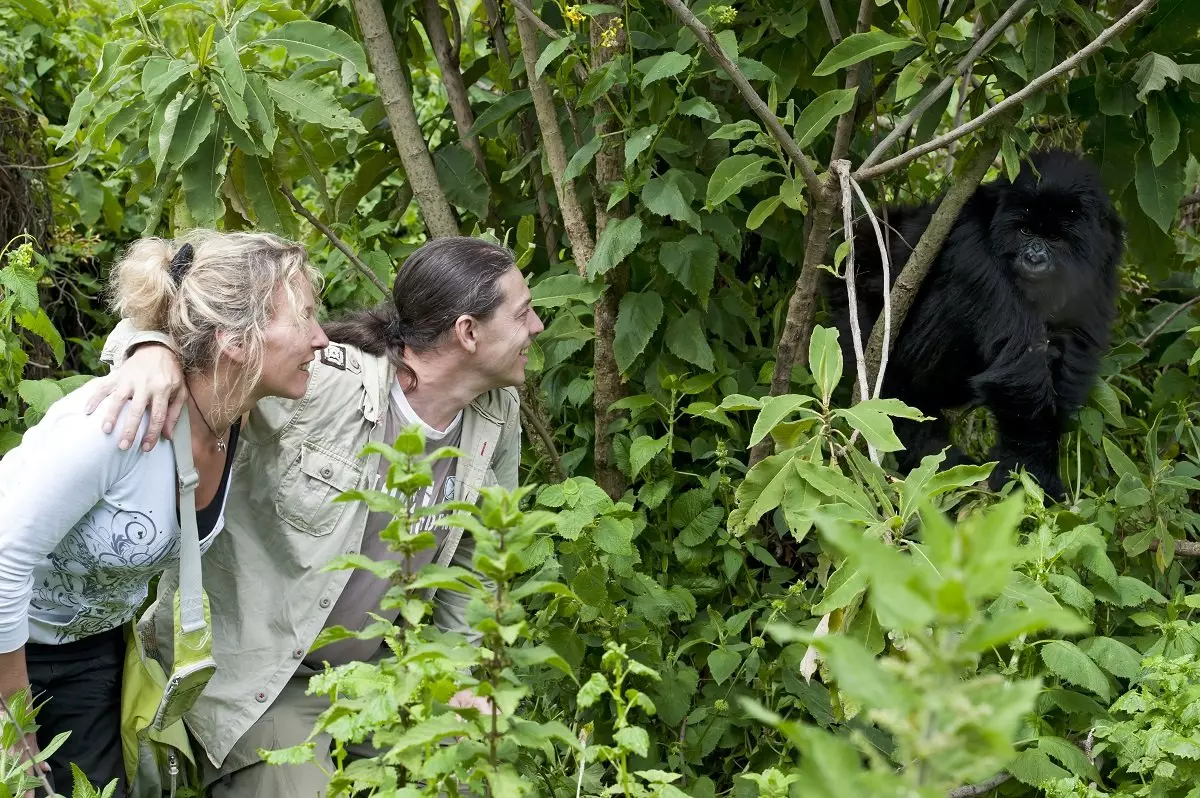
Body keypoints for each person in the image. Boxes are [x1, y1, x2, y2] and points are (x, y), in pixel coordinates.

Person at [88, 236, 543, 796]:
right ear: (468, 332)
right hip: (263, 677)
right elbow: (204, 332)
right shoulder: (321, 383)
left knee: (468, 774)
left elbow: (476, 567)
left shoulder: (496, 415)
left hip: (380, 668)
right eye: (522, 313)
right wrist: (150, 348)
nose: (537, 326)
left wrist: (464, 676)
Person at [0, 231, 329, 797]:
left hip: (92, 651)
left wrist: (147, 341)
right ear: (234, 341)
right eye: (303, 317)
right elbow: (3, 559)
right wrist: (14, 725)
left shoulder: (237, 414)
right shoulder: (119, 422)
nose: (321, 337)